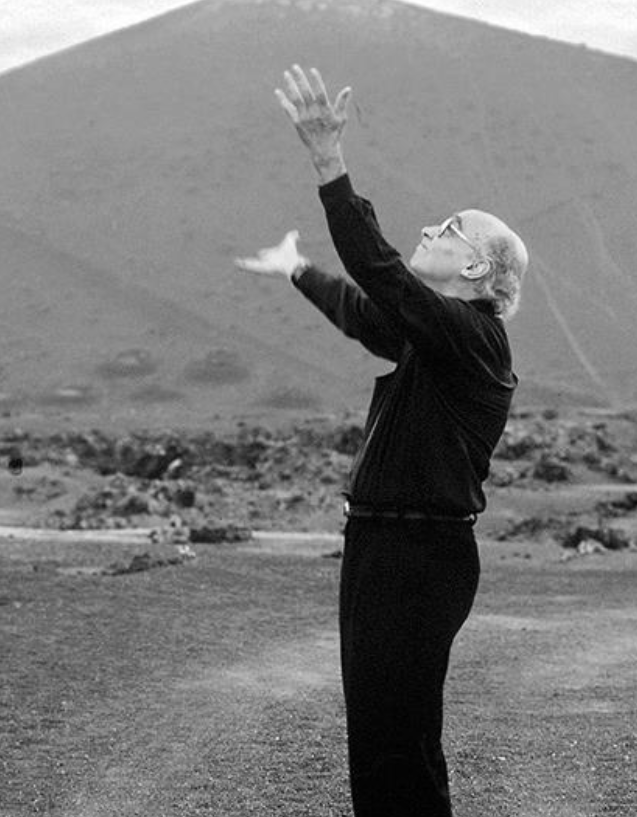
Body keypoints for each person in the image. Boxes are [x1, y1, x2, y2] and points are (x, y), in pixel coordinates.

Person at [234, 66, 528, 816]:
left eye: (449, 229)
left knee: (399, 743)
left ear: (475, 268)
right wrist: (298, 269)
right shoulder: (434, 339)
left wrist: (328, 161)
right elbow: (367, 311)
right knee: (376, 738)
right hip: (381, 547)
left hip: (419, 556)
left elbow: (381, 272)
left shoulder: (474, 339)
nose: (430, 228)